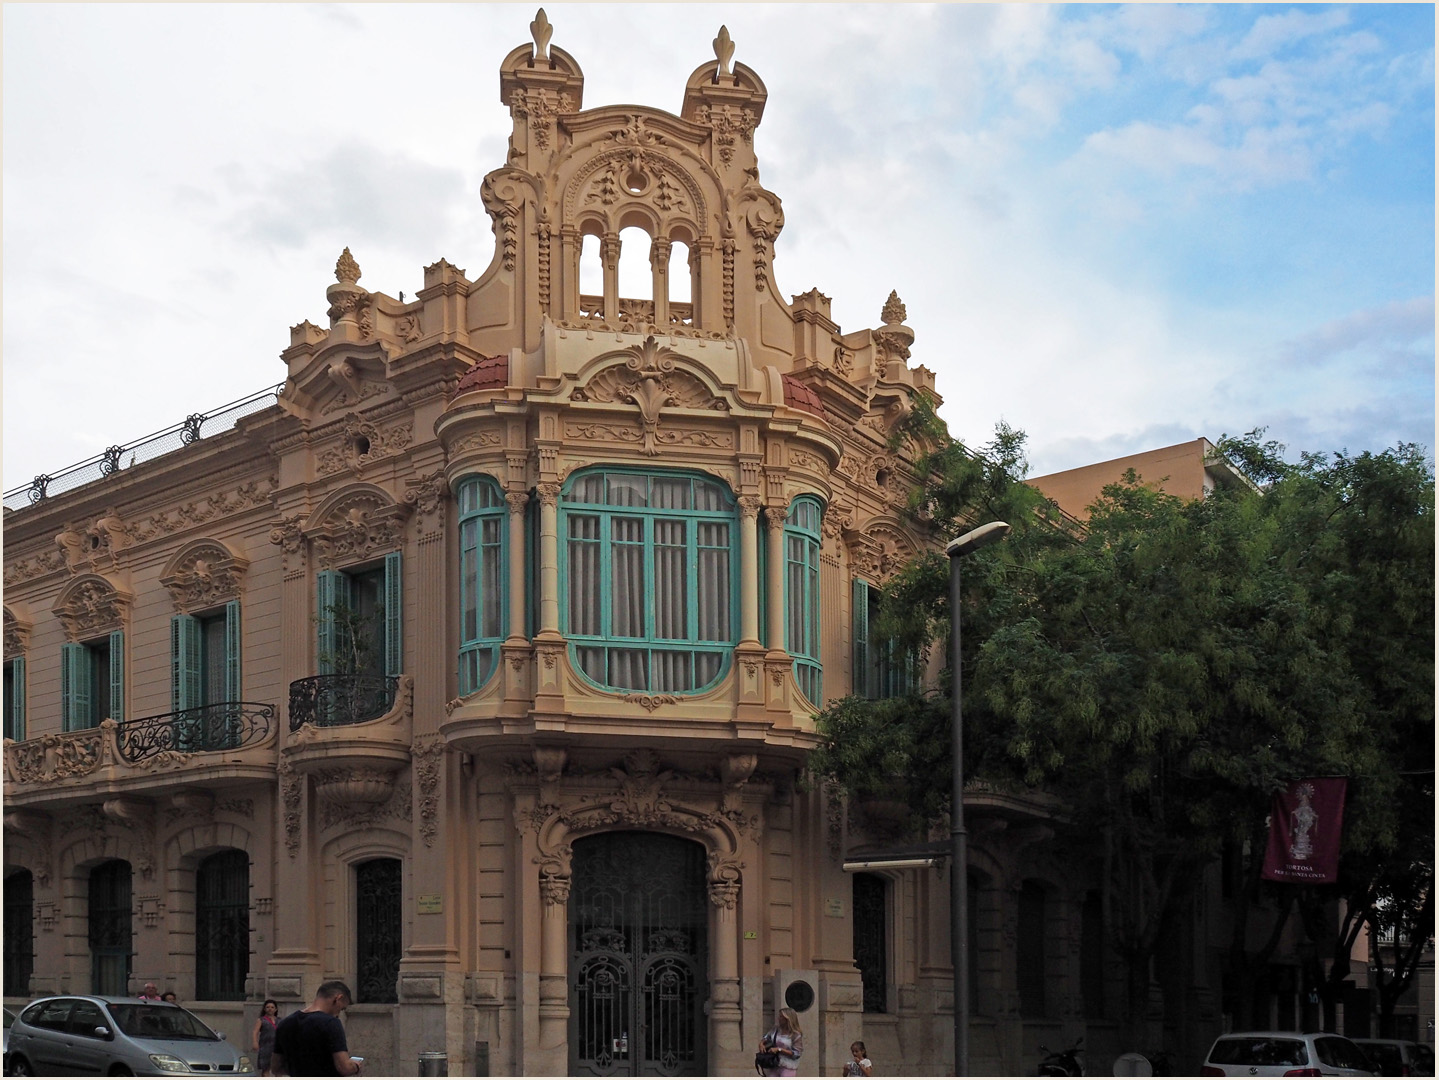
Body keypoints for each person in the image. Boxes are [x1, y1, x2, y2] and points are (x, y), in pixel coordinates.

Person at [271, 982, 362, 1077]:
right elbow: (344, 1068)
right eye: (341, 1008)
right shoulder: (331, 1023)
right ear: (338, 998)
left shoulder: (285, 1023)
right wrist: (355, 1066)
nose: (338, 1013)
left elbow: (276, 1067)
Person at [758, 1006, 803, 1077]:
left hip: (788, 1065)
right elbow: (767, 1037)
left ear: (787, 1019)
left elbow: (797, 1053)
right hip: (775, 1063)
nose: (779, 1018)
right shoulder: (776, 1029)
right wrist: (761, 1043)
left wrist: (779, 1050)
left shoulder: (795, 1034)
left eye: (781, 1017)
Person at [252, 998, 280, 1076]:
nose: (270, 1009)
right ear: (264, 1009)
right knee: (266, 1067)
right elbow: (255, 1031)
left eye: (272, 1007)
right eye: (268, 1007)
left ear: (275, 1009)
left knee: (278, 1068)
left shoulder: (279, 1020)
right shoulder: (261, 1020)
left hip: (277, 1047)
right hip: (265, 1046)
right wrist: (255, 1042)